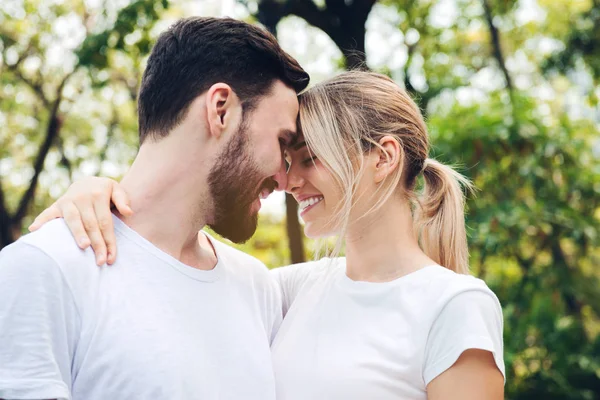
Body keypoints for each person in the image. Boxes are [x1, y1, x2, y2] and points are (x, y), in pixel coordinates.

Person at [28, 72, 505, 399]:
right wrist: (101, 191)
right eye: (288, 157)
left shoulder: (455, 305)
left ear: (382, 158)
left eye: (310, 157)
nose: (288, 179)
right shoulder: (284, 291)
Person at [0, 16, 309, 400]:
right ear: (221, 110)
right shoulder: (44, 269)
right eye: (282, 141)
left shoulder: (257, 286)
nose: (284, 176)